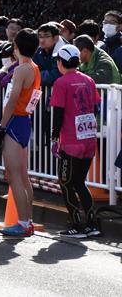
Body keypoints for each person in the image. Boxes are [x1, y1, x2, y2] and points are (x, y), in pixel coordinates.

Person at [50, 45, 101, 238]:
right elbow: (95, 107)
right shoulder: (89, 80)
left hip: (70, 141)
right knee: (79, 182)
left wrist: (54, 137)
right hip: (88, 139)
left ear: (61, 62)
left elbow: (58, 112)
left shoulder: (61, 83)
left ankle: (76, 225)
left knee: (65, 182)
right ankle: (92, 224)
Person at [0, 28, 41, 237]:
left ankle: (23, 222)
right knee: (23, 176)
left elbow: (13, 100)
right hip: (24, 121)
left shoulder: (22, 69)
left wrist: (2, 126)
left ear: (16, 47)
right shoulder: (34, 67)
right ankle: (28, 220)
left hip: (14, 121)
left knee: (14, 176)